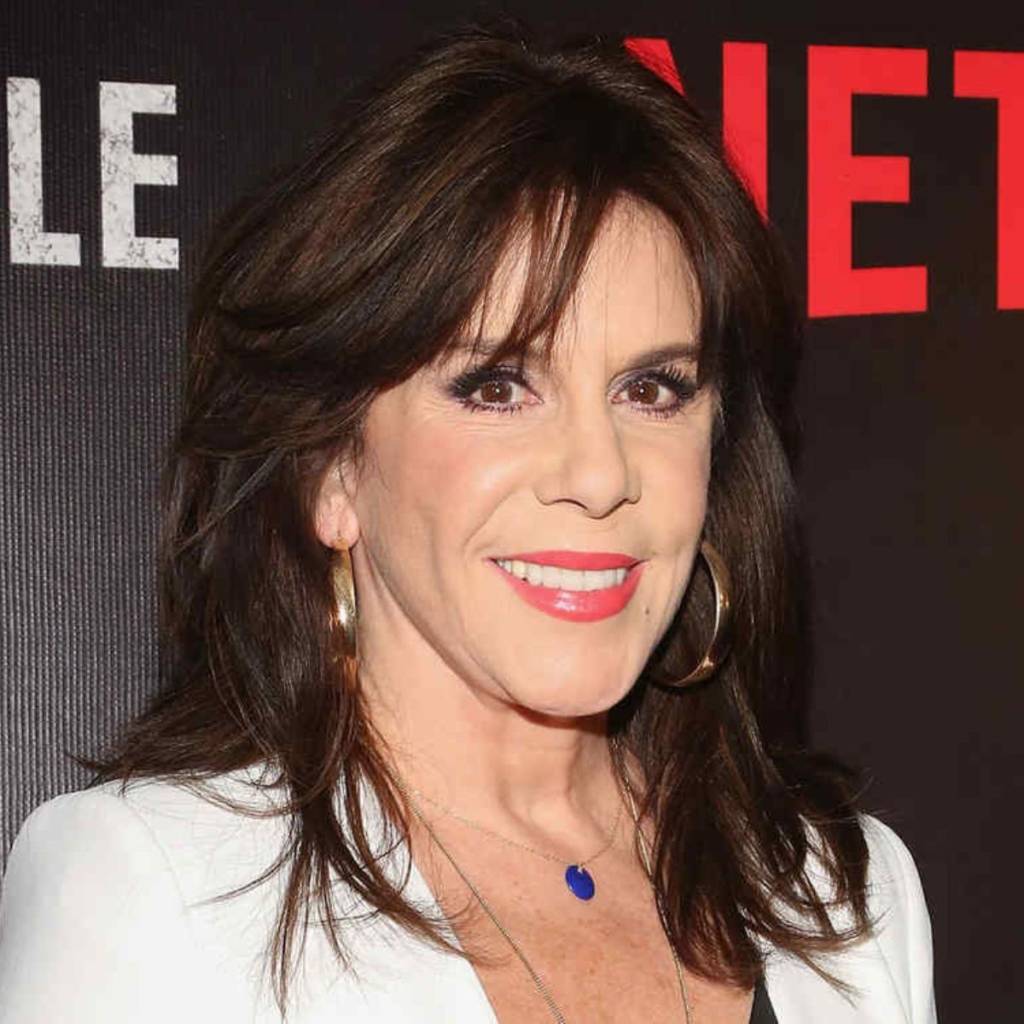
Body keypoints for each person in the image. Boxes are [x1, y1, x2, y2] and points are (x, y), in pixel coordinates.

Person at [0, 24, 936, 1024]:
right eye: (497, 386)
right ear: (332, 469)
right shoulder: (150, 890)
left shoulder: (844, 893)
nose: (599, 474)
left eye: (652, 389)